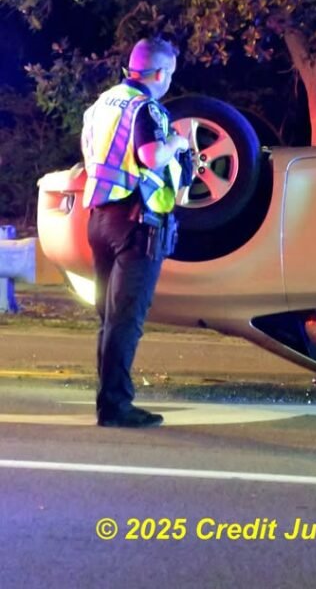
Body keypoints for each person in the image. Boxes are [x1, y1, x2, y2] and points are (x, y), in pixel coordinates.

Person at [81, 38, 190, 428]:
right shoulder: (146, 107)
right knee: (126, 319)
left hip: (99, 219)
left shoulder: (101, 104)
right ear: (158, 74)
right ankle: (115, 406)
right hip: (136, 222)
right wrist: (177, 142)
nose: (169, 82)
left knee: (109, 318)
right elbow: (151, 156)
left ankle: (109, 401)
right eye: (170, 74)